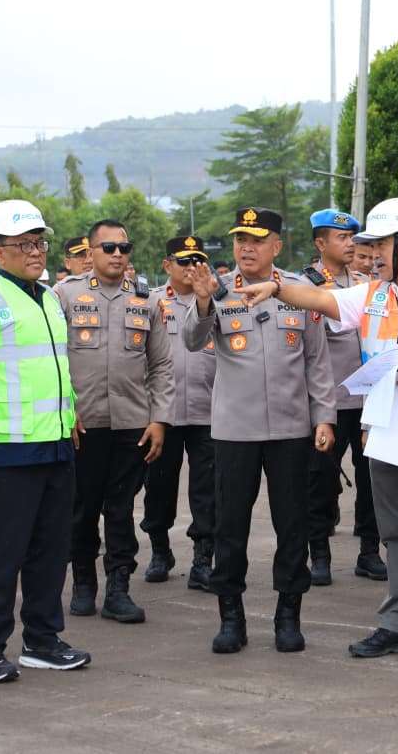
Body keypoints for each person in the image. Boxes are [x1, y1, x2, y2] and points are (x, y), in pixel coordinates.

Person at [239, 197, 398, 667]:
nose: (372, 253)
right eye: (368, 245)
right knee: (396, 534)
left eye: (381, 244)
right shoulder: (373, 294)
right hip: (386, 430)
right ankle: (397, 624)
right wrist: (274, 289)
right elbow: (320, 298)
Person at [183, 206, 335, 654]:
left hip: (290, 429)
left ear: (276, 246)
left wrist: (324, 416)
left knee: (293, 525)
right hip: (234, 431)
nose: (246, 247)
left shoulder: (299, 292)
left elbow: (316, 361)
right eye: (239, 239)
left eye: (256, 239)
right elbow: (193, 341)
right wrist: (205, 300)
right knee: (230, 526)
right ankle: (231, 617)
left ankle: (288, 615)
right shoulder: (219, 290)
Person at [0, 198, 90, 683]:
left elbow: (53, 365)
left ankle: (42, 639)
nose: (36, 251)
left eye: (40, 242)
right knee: (1, 553)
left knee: (51, 549)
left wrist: (69, 414)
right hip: (7, 450)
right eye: (25, 244)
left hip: (54, 444)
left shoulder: (49, 297)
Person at [56, 219, 173, 623]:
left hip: (131, 424)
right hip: (82, 423)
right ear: (89, 253)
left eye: (124, 248)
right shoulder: (65, 296)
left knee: (121, 509)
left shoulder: (145, 300)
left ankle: (119, 587)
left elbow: (160, 365)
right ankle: (84, 582)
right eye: (108, 248)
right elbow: (52, 361)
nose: (118, 255)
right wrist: (62, 411)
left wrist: (159, 419)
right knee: (81, 508)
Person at [302, 208, 385, 586]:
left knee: (372, 481)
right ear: (321, 243)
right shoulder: (307, 286)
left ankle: (370, 551)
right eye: (342, 238)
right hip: (329, 401)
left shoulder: (368, 283)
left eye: (353, 236)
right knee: (319, 481)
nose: (351, 244)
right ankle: (319, 552)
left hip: (367, 401)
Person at [142, 236, 218, 590]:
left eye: (197, 261)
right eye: (183, 261)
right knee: (158, 485)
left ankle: (203, 558)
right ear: (166, 265)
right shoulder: (152, 302)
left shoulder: (217, 299)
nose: (191, 268)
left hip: (209, 409)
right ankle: (160, 550)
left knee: (207, 489)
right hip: (164, 411)